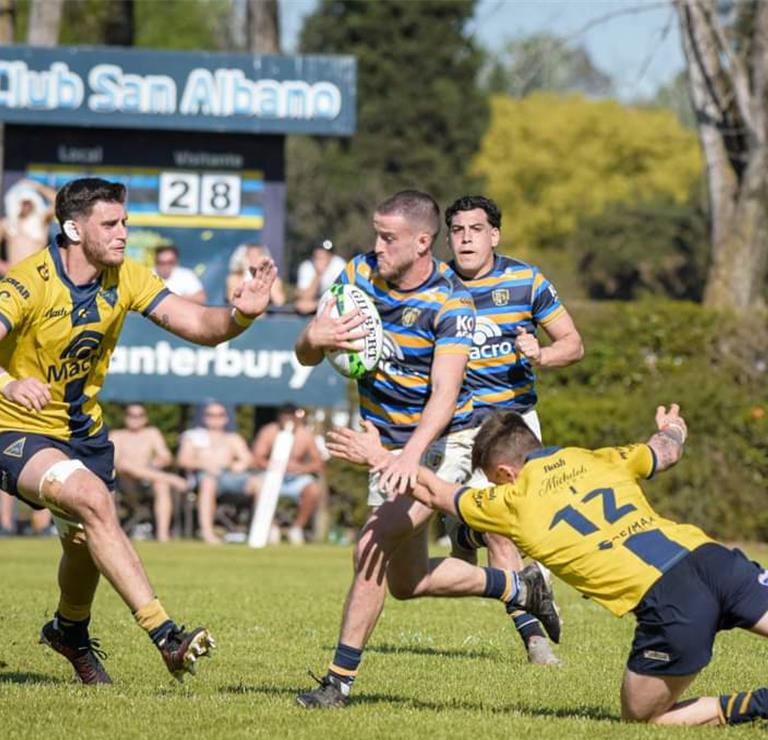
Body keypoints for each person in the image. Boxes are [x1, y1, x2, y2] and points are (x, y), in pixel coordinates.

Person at [327, 408, 768, 739]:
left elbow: (435, 492)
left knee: (645, 718)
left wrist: (376, 454)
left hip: (670, 605)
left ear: (505, 469)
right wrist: (675, 430)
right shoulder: (599, 457)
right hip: (714, 559)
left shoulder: (509, 499)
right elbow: (663, 449)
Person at [0, 177, 278, 685]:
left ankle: (69, 631)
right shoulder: (29, 280)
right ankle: (165, 635)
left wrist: (240, 316)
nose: (123, 233)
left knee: (84, 541)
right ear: (73, 229)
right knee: (92, 501)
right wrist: (6, 382)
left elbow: (197, 325)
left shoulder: (126, 276)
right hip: (15, 433)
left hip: (83, 436)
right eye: (111, 224)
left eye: (125, 221)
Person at [291, 189, 561, 709]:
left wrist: (410, 457)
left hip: (444, 442)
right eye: (375, 233)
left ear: (421, 242)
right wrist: (313, 335)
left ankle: (337, 684)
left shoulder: (450, 302)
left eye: (388, 238)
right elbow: (307, 356)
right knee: (407, 582)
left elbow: (445, 393)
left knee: (373, 542)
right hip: (386, 442)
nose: (377, 246)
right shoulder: (357, 275)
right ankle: (519, 589)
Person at [441, 194, 586, 666]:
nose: (465, 239)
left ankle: (467, 537)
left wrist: (541, 354)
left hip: (518, 426)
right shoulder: (436, 284)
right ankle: (534, 642)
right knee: (499, 527)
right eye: (458, 231)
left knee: (531, 540)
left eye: (475, 230)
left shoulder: (526, 280)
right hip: (459, 425)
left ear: (494, 236)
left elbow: (573, 344)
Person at [176, 401, 262, 545]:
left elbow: (248, 459)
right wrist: (204, 464)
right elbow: (183, 460)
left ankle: (260, 531)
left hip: (230, 477)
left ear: (226, 418)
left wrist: (239, 464)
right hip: (204, 477)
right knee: (208, 482)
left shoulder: (233, 438)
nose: (215, 418)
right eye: (211, 415)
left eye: (219, 415)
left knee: (259, 483)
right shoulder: (194, 437)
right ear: (204, 417)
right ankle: (207, 532)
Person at [109, 403, 188, 542]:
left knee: (161, 485)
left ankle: (163, 535)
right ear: (125, 417)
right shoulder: (117, 435)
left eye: (139, 415)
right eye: (131, 415)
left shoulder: (152, 433)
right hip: (125, 484)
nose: (135, 418)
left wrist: (158, 461)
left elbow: (166, 456)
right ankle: (170, 478)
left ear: (145, 418)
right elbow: (117, 464)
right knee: (127, 465)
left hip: (147, 483)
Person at [251, 404, 326, 544]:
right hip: (271, 476)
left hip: (295, 478)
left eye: (291, 415)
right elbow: (256, 458)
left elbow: (318, 464)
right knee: (257, 486)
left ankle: (297, 528)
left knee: (313, 490)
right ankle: (270, 527)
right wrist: (272, 465)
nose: (288, 418)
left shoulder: (305, 435)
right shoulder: (269, 431)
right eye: (285, 414)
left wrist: (299, 468)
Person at [0, 179, 58, 276]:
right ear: (17, 202)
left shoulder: (41, 220)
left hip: (37, 275)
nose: (26, 206)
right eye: (24, 202)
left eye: (29, 202)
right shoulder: (7, 224)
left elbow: (59, 201)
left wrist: (36, 186)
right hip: (14, 275)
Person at [293, 239, 346, 315]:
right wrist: (318, 274)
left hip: (335, 306)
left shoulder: (339, 265)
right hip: (315, 308)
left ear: (331, 256)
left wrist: (320, 304)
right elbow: (304, 298)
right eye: (317, 256)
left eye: (325, 255)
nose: (321, 259)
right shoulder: (307, 266)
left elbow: (343, 295)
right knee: (301, 305)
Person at [227, 244, 287, 309]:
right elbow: (232, 300)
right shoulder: (234, 278)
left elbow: (279, 302)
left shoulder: (274, 279)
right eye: (250, 256)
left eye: (258, 255)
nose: (254, 259)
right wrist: (247, 274)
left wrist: (267, 283)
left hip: (264, 318)